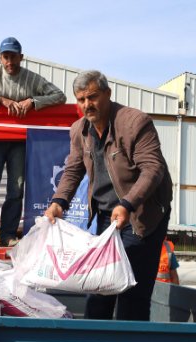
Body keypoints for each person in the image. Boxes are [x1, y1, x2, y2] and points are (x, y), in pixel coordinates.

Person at [44, 70, 173, 321]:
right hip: (107, 216)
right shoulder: (79, 130)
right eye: (81, 99)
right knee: (99, 287)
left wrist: (127, 204)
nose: (87, 105)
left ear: (108, 94)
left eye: (92, 97)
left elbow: (153, 168)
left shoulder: (135, 122)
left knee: (131, 292)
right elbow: (73, 169)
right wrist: (59, 202)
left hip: (142, 215)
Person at [0, 37, 66, 248]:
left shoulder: (31, 78)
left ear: (21, 57)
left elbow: (59, 96)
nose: (10, 62)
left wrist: (33, 101)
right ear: (0, 58)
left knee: (16, 188)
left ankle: (8, 234)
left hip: (20, 142)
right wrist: (0, 100)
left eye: (13, 57)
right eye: (6, 57)